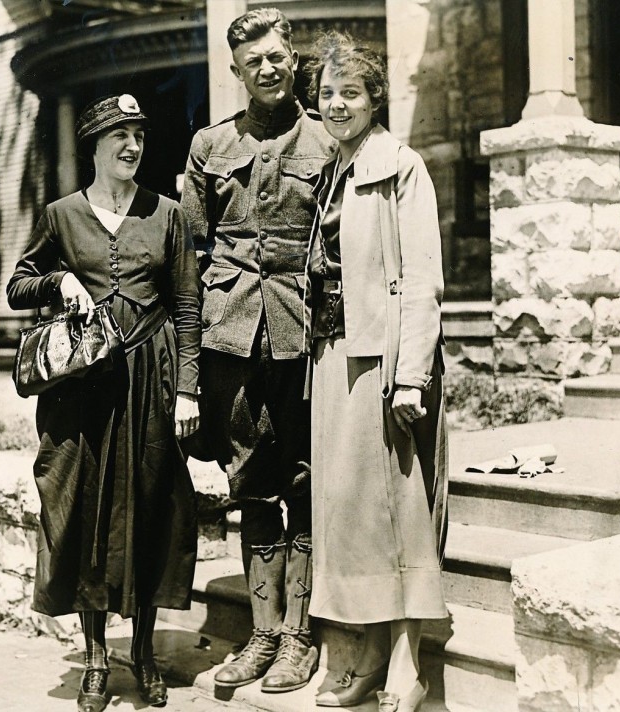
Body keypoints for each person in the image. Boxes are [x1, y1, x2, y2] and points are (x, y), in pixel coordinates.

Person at [7, 94, 201, 712]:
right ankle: (95, 659)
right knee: (82, 511)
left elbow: (189, 306)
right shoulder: (61, 215)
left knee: (150, 510)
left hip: (152, 382)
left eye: (139, 135)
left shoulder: (166, 214)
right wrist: (59, 279)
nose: (132, 146)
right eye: (118, 136)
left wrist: (189, 388)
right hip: (81, 395)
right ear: (92, 148)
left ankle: (142, 655)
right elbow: (17, 285)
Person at [180, 7, 333, 694]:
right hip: (233, 341)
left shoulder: (329, 143)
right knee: (251, 481)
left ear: (292, 58)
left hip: (305, 339)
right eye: (253, 61)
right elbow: (187, 264)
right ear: (236, 70)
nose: (267, 68)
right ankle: (262, 634)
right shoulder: (209, 148)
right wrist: (187, 373)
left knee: (304, 478)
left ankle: (300, 636)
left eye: (277, 56)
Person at [304, 32, 448, 712]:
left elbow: (423, 277)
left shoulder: (401, 165)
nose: (337, 105)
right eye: (328, 94)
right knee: (347, 515)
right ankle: (361, 658)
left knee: (392, 513)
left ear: (374, 99)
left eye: (350, 94)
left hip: (383, 361)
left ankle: (405, 666)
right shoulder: (333, 167)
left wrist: (412, 373)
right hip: (332, 358)